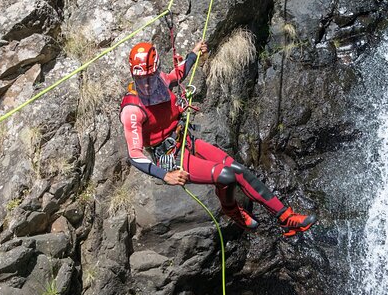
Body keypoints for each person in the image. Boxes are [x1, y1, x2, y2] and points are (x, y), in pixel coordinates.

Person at [119, 41, 317, 237]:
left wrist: (193, 54)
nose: (146, 84)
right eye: (141, 78)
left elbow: (177, 74)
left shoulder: (160, 80)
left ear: (156, 71)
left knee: (240, 171)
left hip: (185, 140)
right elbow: (134, 154)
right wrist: (165, 176)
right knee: (226, 176)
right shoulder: (132, 109)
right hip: (171, 157)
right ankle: (231, 210)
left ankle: (286, 217)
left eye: (150, 77)